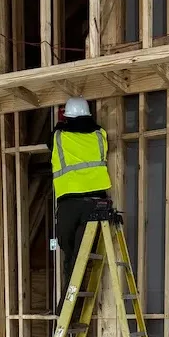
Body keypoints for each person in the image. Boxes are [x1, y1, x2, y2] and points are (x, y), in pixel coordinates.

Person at [50, 98, 112, 288]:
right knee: (83, 254)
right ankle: (74, 297)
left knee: (70, 253)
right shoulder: (101, 135)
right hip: (97, 203)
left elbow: (50, 139)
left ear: (67, 117)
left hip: (70, 203)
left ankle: (69, 302)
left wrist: (61, 122)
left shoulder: (59, 136)